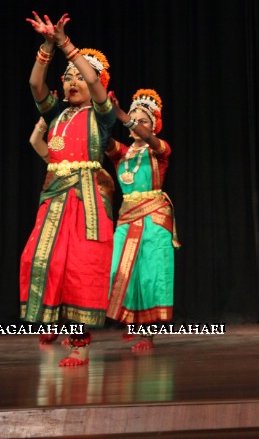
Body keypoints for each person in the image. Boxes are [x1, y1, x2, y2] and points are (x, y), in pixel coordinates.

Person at [22, 12, 116, 366]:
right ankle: (55, 325)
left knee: (81, 269)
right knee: (44, 262)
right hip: (56, 199)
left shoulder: (102, 114)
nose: (72, 81)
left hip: (87, 202)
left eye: (78, 77)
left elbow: (94, 81)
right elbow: (35, 85)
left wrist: (65, 44)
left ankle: (80, 344)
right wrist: (46, 46)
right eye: (67, 77)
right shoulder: (56, 113)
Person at [105, 89, 178, 351]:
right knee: (119, 270)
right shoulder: (122, 153)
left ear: (154, 126)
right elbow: (103, 140)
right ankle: (131, 322)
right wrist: (100, 110)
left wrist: (122, 114)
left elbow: (148, 137)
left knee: (148, 275)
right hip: (127, 218)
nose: (136, 124)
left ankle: (147, 332)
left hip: (154, 217)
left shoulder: (160, 150)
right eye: (132, 120)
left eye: (143, 120)